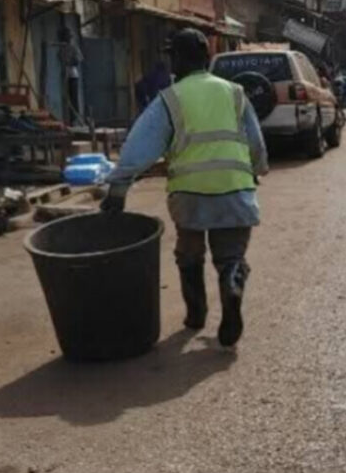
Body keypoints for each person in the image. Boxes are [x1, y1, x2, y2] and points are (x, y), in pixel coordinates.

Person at [100, 29, 267, 347]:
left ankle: (196, 314)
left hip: (189, 194)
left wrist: (118, 189)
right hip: (235, 189)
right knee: (231, 255)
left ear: (176, 60)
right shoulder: (235, 92)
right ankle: (232, 281)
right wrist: (256, 171)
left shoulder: (170, 98)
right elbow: (255, 142)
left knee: (189, 254)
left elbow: (140, 147)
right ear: (206, 57)